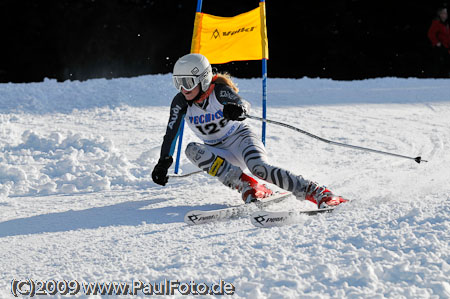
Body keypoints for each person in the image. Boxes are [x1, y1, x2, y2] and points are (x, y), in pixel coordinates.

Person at [151, 53, 347, 209]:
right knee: (192, 150)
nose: (183, 88)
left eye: (188, 82)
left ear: (203, 79)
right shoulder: (181, 102)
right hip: (219, 151)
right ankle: (249, 186)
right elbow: (171, 133)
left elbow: (241, 102)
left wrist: (239, 109)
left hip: (241, 139)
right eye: (179, 82)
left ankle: (320, 192)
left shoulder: (218, 91)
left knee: (260, 168)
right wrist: (163, 161)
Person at [427, 7, 450, 77]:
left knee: (446, 65)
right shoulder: (436, 23)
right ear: (439, 14)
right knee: (438, 65)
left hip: (446, 48)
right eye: (443, 13)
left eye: (446, 13)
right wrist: (437, 42)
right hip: (439, 48)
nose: (445, 15)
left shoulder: (446, 24)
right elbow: (430, 34)